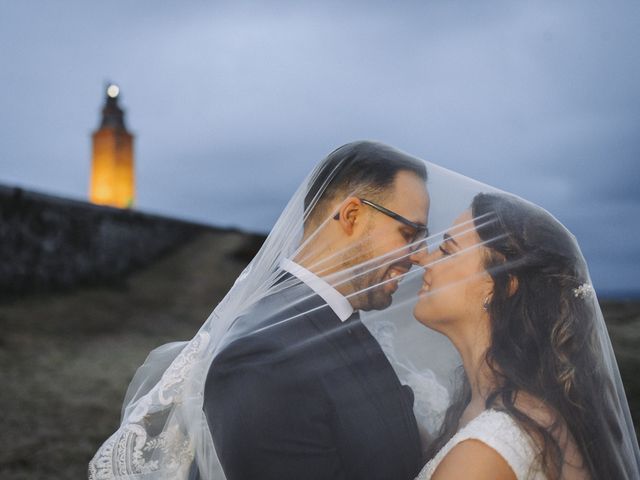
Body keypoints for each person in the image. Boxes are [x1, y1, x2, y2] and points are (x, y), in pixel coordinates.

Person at [202, 141, 430, 479]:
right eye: (408, 233)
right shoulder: (262, 360)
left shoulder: (340, 321)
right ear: (352, 215)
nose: (418, 255)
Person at [412, 192, 640, 479]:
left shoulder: (487, 451)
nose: (423, 259)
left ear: (500, 286)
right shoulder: (506, 408)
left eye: (446, 249)